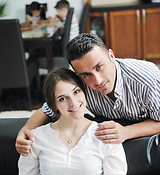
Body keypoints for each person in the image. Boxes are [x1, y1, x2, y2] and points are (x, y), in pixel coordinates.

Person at [17, 67, 141, 175]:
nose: (73, 102)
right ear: (54, 106)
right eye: (63, 98)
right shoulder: (35, 138)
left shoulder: (104, 133)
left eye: (76, 92)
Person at [15, 33, 160, 156]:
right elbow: (49, 109)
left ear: (111, 55)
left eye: (99, 67)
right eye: (86, 74)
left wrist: (127, 132)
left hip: (148, 136)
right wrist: (25, 130)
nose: (97, 81)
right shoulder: (78, 83)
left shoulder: (148, 79)